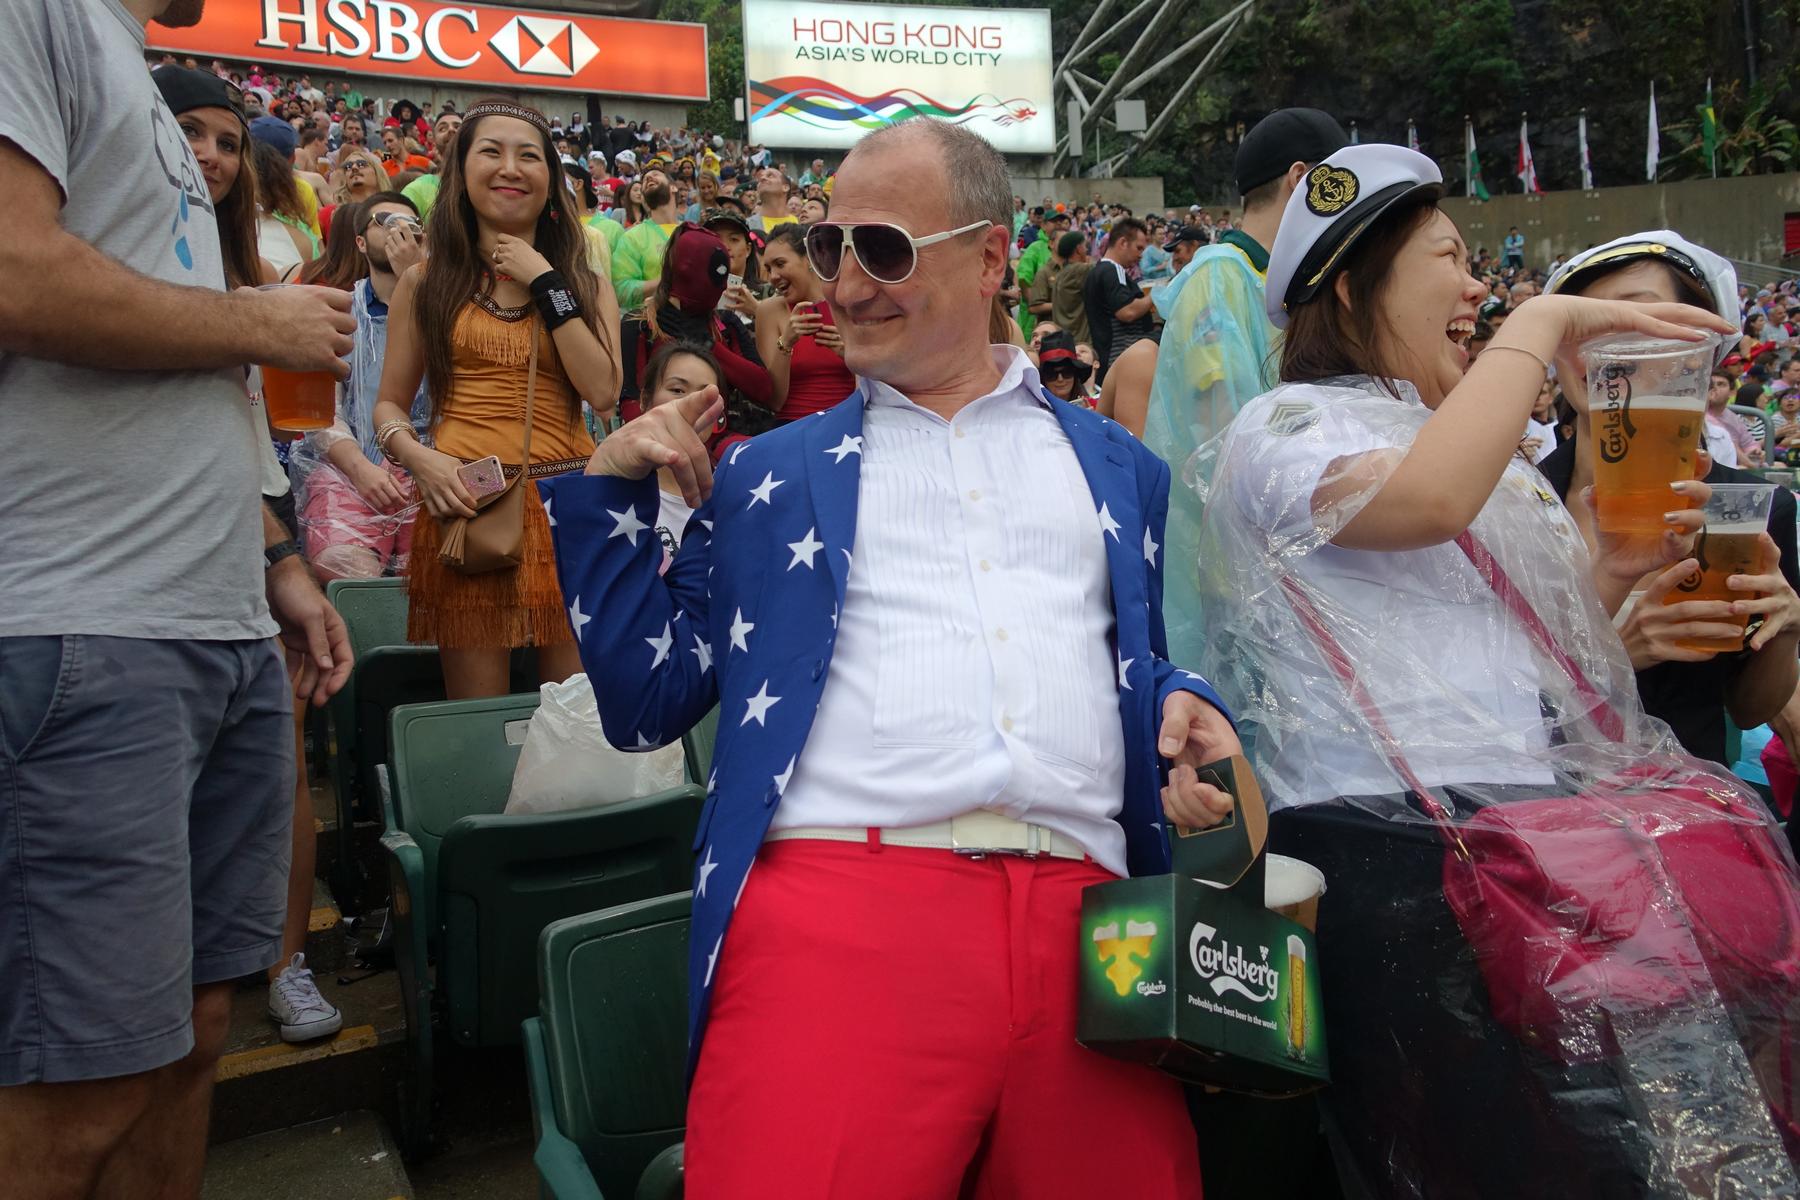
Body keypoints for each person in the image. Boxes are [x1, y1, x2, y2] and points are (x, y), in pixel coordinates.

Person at [542, 116, 1239, 1197]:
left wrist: (1180, 698)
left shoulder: (1115, 466)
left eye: (884, 249)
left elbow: (1124, 656)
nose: (847, 284)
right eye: (829, 250)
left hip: (1096, 928)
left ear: (992, 257)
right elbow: (643, 701)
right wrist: (608, 491)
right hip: (837, 913)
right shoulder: (763, 475)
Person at [1194, 144, 1759, 1198]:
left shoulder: (1479, 445)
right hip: (1385, 853)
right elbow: (1427, 503)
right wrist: (1542, 329)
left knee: (1578, 1152)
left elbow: (1529, 657)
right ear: (1355, 284)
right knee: (1456, 1155)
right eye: (1448, 261)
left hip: (1528, 837)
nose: (1476, 290)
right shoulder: (1283, 427)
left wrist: (1613, 574)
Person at [0, 0, 358, 1193]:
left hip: (222, 625)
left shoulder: (128, 71)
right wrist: (254, 320)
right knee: (80, 1081)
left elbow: (197, 388)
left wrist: (279, 562)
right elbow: (14, 271)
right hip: (84, 623)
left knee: (194, 1040)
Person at [370, 99, 621, 701]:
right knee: (478, 714)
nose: (511, 167)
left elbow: (604, 392)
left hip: (567, 510)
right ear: (461, 174)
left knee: (575, 719)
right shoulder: (425, 282)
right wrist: (419, 458)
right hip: (469, 508)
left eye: (529, 156)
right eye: (492, 151)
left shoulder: (585, 285)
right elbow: (388, 406)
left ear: (551, 183)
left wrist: (545, 282)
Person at [1538, 232, 1799, 767]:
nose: (1605, 345)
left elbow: (1747, 709)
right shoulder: (1510, 499)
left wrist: (1786, 628)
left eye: (1637, 319)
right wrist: (1619, 654)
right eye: (1583, 322)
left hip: (1690, 814)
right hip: (1536, 814)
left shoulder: (1745, 505)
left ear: (1697, 355)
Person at [1143, 107, 1347, 705]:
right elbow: (1228, 442)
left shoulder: (1280, 282)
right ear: (1301, 179)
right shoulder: (1222, 279)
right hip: (1240, 575)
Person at [298, 193, 429, 582]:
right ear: (359, 241)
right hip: (353, 474)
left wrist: (418, 283)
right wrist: (362, 472)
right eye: (385, 221)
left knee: (434, 585)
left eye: (411, 226)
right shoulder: (336, 313)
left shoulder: (451, 312)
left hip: (435, 480)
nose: (400, 231)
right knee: (350, 576)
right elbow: (321, 412)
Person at [636, 340, 725, 568]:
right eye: (677, 390)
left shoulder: (730, 490)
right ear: (645, 400)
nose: (691, 402)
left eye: (705, 394)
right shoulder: (619, 489)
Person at [755, 224, 855, 422]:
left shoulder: (847, 303)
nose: (773, 276)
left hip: (848, 424)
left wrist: (850, 356)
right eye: (768, 268)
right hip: (793, 427)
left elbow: (879, 385)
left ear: (809, 258)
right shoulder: (768, 311)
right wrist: (786, 343)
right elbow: (775, 401)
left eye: (780, 264)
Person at [1082, 216, 1154, 382]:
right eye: (1139, 248)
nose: (1141, 255)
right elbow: (1126, 311)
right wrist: (1155, 296)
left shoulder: (1102, 271)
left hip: (1111, 360)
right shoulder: (1113, 270)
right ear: (1123, 243)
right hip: (1119, 361)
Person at [613, 166, 680, 317]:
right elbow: (621, 291)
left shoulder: (692, 232)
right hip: (650, 328)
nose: (649, 178)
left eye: (655, 175)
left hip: (692, 328)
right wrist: (665, 281)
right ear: (643, 197)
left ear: (673, 187)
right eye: (644, 180)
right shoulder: (632, 237)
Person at [1050, 230, 1094, 346]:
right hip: (1081, 342)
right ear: (1078, 249)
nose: (1086, 250)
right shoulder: (1082, 270)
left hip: (1064, 341)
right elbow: (1105, 270)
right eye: (1084, 246)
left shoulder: (1061, 273)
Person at [1036, 328, 1093, 404]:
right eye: (1051, 374)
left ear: (1075, 374)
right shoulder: (1033, 412)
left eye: (1067, 372)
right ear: (1043, 378)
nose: (1060, 379)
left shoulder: (1093, 408)